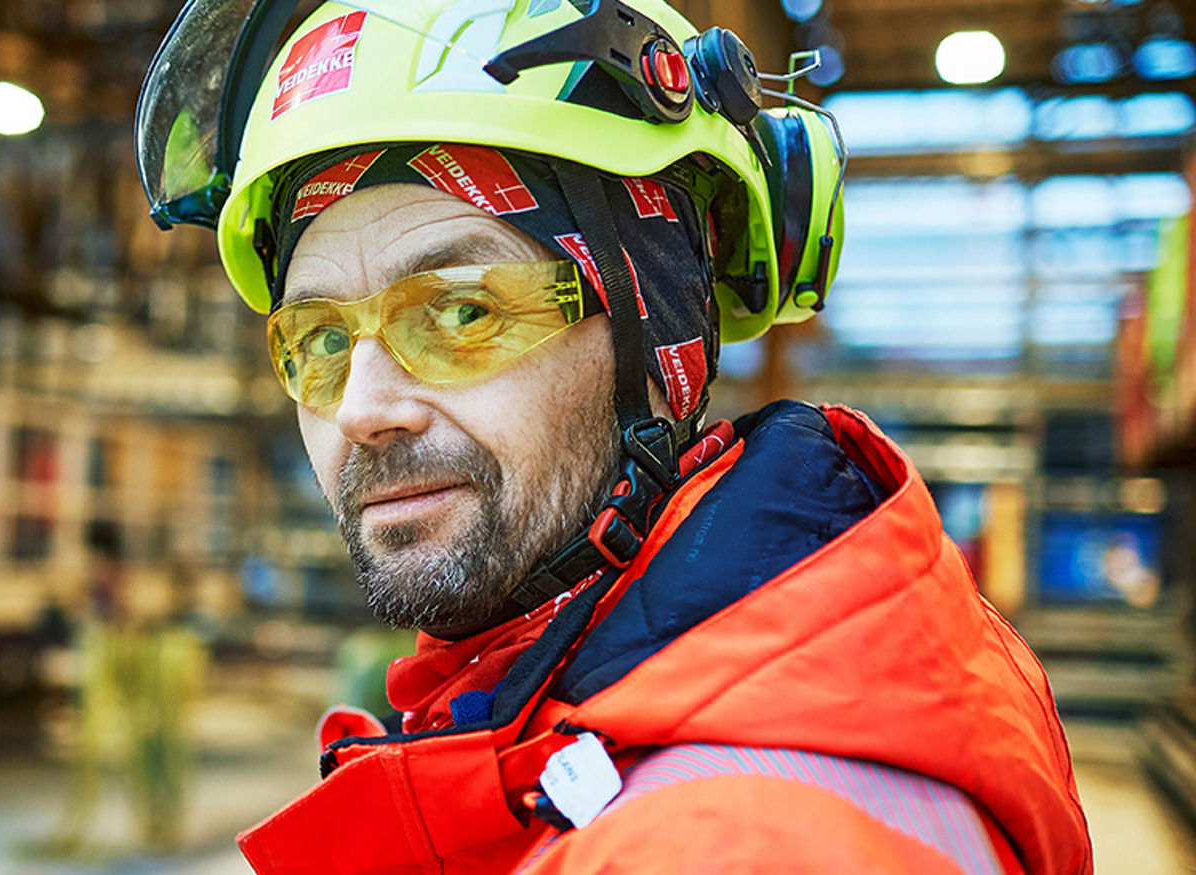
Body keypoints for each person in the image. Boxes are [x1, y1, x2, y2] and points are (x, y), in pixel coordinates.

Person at [134, 1, 1092, 872]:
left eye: (463, 313)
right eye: (322, 341)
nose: (362, 406)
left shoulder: (728, 843)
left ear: (657, 338)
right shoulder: (575, 738)